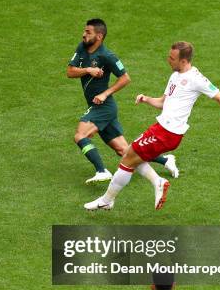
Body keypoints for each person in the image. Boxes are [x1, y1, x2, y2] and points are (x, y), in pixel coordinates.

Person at [85, 41, 220, 211]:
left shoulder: (196, 79)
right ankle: (155, 182)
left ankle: (108, 200)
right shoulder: (175, 76)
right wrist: (146, 99)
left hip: (167, 133)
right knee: (129, 154)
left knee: (127, 159)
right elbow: (163, 102)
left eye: (172, 58)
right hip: (161, 129)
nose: (168, 60)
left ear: (183, 61)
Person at [68, 18, 178, 184]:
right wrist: (88, 70)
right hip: (95, 105)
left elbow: (125, 78)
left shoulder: (107, 56)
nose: (83, 34)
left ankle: (101, 171)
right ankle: (165, 161)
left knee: (80, 135)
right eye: (84, 31)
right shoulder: (82, 48)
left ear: (99, 36)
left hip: (104, 106)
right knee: (124, 151)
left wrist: (105, 94)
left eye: (88, 32)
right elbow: (70, 72)